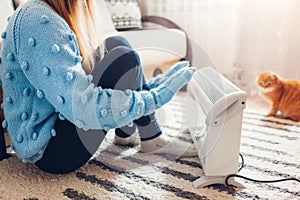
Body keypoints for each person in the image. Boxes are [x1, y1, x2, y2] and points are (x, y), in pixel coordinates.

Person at [0, 0, 195, 174]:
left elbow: (70, 85)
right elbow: (84, 109)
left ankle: (125, 134)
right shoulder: (40, 21)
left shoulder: (40, 12)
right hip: (52, 152)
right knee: (124, 59)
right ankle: (149, 135)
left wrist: (150, 91)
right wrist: (154, 99)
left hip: (55, 126)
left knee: (117, 44)